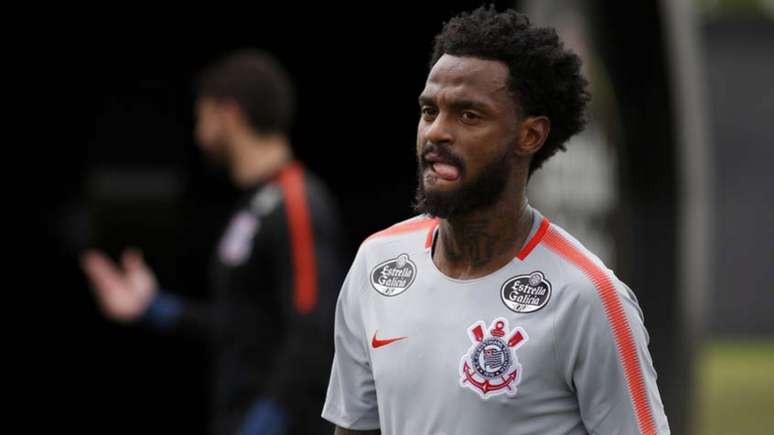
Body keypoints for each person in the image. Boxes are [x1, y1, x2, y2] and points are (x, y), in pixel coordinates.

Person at [321, 6, 670, 435]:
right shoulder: (377, 266)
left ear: (530, 135)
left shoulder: (587, 298)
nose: (436, 133)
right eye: (430, 111)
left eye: (469, 115)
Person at [81, 50, 345, 435]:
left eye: (201, 115)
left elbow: (312, 333)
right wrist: (155, 308)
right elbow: (243, 325)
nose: (196, 133)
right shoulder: (252, 206)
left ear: (229, 113)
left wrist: (266, 422)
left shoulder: (297, 201)